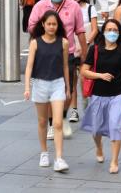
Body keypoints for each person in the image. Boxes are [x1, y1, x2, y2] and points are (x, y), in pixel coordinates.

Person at [28, 0, 86, 139]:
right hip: (45, 54)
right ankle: (53, 123)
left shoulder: (73, 6)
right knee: (48, 91)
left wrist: (85, 55)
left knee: (68, 90)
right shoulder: (41, 6)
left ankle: (62, 115)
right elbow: (31, 26)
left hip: (67, 53)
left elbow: (80, 31)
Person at [80, 18, 121, 175]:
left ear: (119, 33)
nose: (112, 33)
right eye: (109, 30)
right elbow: (84, 71)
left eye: (115, 30)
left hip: (118, 94)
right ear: (103, 31)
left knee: (116, 126)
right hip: (98, 94)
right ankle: (99, 147)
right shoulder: (95, 49)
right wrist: (100, 75)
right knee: (96, 129)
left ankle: (114, 160)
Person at [23, 10, 70, 172]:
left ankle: (59, 157)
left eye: (54, 24)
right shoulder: (35, 43)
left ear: (58, 26)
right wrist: (27, 87)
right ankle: (44, 152)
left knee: (57, 123)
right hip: (40, 84)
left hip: (57, 84)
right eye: (49, 24)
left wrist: (68, 87)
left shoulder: (63, 42)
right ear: (43, 24)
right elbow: (29, 66)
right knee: (42, 121)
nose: (51, 27)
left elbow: (65, 66)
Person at [66, 0, 98, 120]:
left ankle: (86, 103)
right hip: (71, 47)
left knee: (85, 77)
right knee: (72, 78)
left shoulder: (90, 8)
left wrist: (85, 42)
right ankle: (74, 110)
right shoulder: (66, 8)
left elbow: (95, 29)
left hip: (87, 47)